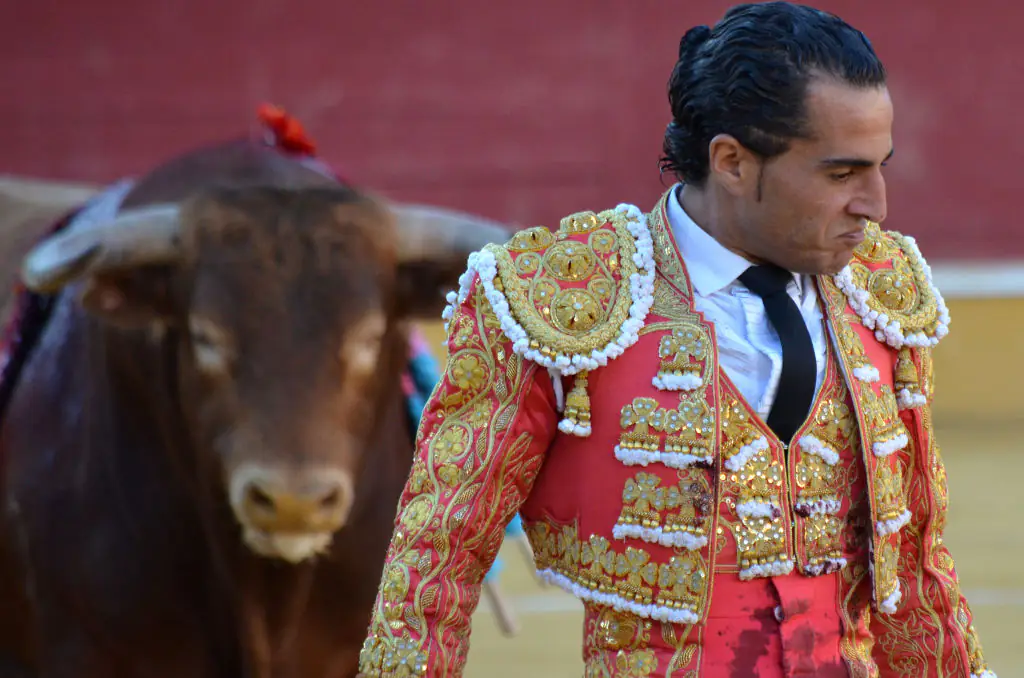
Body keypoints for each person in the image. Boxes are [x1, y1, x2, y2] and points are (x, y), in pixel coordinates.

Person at [357, 3, 997, 676]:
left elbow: (918, 570)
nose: (876, 204)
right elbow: (435, 563)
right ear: (731, 162)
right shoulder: (564, 299)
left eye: (879, 167)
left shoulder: (880, 290)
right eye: (841, 174)